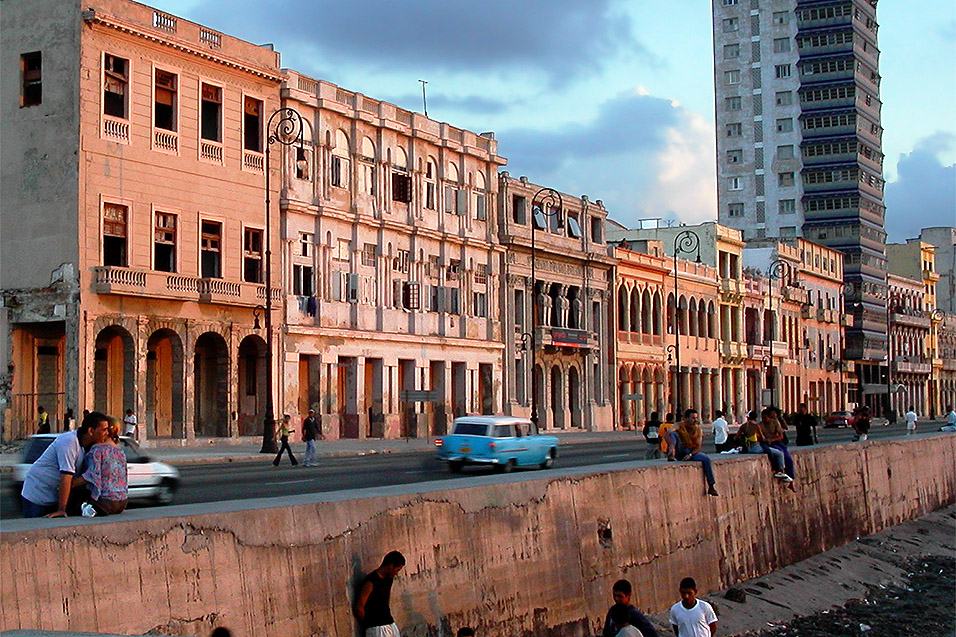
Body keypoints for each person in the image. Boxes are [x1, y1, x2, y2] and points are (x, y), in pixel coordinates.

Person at [20, 411, 110, 518]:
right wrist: (62, 509)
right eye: (104, 430)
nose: (107, 433)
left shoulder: (90, 446)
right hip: (37, 494)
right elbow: (66, 476)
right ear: (91, 431)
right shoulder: (69, 442)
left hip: (53, 496)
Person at [72, 416, 128, 515]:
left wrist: (70, 484)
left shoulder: (97, 449)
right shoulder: (120, 451)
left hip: (106, 503)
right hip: (122, 502)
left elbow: (91, 476)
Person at [354, 551, 406, 637]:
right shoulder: (371, 581)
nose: (396, 573)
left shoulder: (388, 579)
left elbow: (386, 601)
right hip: (377, 628)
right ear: (390, 566)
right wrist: (370, 623)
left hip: (389, 623)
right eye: (397, 570)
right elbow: (359, 608)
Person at [671, 409, 718, 497]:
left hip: (690, 452)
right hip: (680, 450)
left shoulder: (698, 430)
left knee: (706, 459)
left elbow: (698, 447)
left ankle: (711, 486)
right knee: (673, 434)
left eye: (696, 418)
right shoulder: (679, 426)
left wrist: (690, 455)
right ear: (685, 418)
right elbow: (668, 434)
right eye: (693, 418)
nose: (695, 420)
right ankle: (671, 455)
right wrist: (671, 447)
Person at [758, 408, 795, 485]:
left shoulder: (775, 422)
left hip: (776, 442)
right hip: (766, 443)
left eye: (765, 418)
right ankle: (778, 471)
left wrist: (771, 440)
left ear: (769, 417)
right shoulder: (760, 425)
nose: (764, 420)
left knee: (787, 458)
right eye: (762, 418)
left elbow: (781, 436)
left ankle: (789, 476)